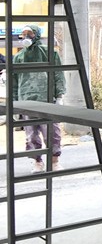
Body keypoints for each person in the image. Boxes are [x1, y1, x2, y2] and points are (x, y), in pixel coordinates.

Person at [12, 24, 65, 173]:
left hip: (46, 99)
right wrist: (15, 102)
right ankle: (37, 161)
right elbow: (14, 82)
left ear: (36, 34)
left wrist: (59, 95)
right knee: (31, 134)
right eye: (24, 34)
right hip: (26, 100)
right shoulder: (18, 57)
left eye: (30, 33)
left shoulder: (49, 53)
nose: (26, 37)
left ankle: (54, 161)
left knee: (52, 132)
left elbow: (58, 74)